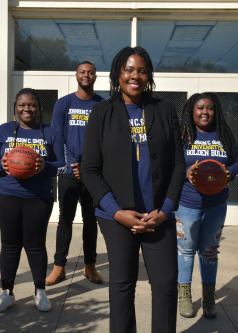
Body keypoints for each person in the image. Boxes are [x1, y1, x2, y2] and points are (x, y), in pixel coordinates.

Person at [81, 46, 185, 333]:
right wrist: (117, 212)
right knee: (122, 286)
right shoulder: (102, 112)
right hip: (117, 217)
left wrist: (165, 210)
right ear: (118, 74)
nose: (134, 75)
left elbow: (178, 165)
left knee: (165, 285)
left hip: (158, 216)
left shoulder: (163, 110)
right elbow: (89, 169)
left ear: (148, 74)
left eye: (141, 70)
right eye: (128, 70)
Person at [0, 88, 66, 313]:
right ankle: (6, 292)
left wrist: (45, 166)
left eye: (31, 105)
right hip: (7, 195)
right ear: (15, 108)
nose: (26, 109)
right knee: (9, 245)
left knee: (36, 245)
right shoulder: (3, 131)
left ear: (38, 108)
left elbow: (62, 165)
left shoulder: (51, 133)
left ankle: (40, 291)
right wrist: (2, 164)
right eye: (22, 105)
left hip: (39, 197)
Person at [176, 93, 238, 318]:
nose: (205, 112)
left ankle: (208, 299)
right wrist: (185, 173)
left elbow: (236, 164)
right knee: (185, 250)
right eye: (200, 107)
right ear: (191, 111)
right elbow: (170, 166)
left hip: (216, 204)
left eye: (210, 108)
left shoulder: (223, 135)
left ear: (216, 112)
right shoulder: (183, 135)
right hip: (186, 203)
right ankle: (184, 295)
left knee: (209, 251)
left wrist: (227, 173)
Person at [46, 61, 105, 285]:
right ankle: (59, 267)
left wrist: (89, 166)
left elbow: (104, 139)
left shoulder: (102, 104)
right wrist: (73, 164)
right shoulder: (64, 104)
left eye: (90, 72)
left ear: (95, 77)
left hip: (93, 172)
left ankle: (90, 267)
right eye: (83, 72)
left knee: (91, 221)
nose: (86, 75)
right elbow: (58, 138)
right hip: (69, 172)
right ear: (76, 75)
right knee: (65, 220)